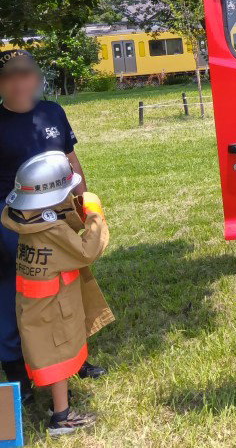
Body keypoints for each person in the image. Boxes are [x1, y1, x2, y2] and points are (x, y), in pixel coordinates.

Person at [0, 50, 107, 404]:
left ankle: (75, 359)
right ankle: (19, 377)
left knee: (69, 288)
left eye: (26, 74)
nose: (19, 83)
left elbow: (70, 160)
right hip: (16, 222)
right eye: (10, 76)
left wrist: (83, 200)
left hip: (58, 213)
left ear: (37, 78)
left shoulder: (52, 113)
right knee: (20, 297)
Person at [1, 151, 113, 436]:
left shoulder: (27, 219)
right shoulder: (52, 231)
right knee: (59, 359)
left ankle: (57, 403)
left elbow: (59, 213)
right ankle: (61, 417)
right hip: (54, 309)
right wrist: (95, 215)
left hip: (34, 308)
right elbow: (87, 250)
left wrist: (73, 207)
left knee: (48, 354)